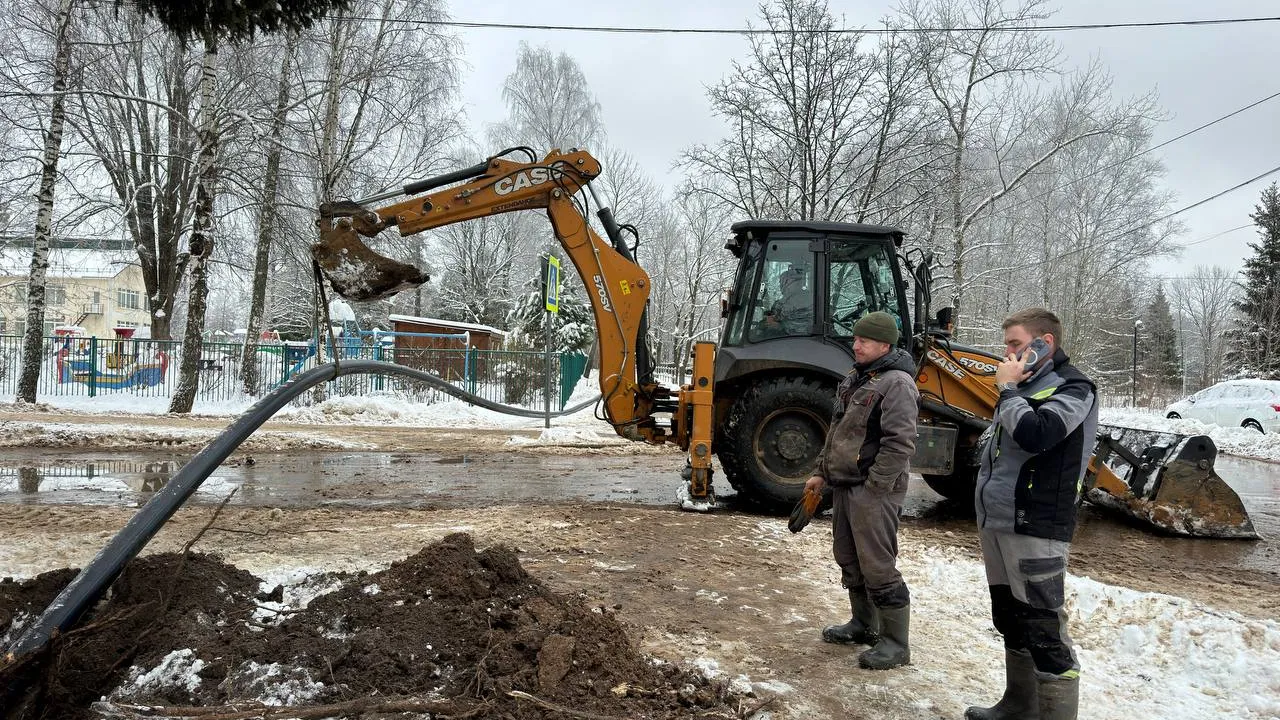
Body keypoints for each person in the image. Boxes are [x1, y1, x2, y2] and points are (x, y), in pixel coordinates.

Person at [965, 308, 1098, 720]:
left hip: (1037, 523)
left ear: (1045, 343)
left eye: (1015, 344)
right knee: (1011, 618)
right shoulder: (1027, 385)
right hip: (1000, 520)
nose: (1006, 354)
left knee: (1044, 629)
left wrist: (1007, 392)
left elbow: (1038, 434)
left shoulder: (1074, 388)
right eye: (1006, 345)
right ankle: (1019, 707)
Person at [804, 310, 918, 670]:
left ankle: (896, 644)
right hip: (845, 484)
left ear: (885, 344)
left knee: (878, 565)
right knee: (850, 558)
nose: (856, 345)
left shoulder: (897, 383)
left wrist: (875, 487)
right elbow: (838, 431)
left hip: (873, 489)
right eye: (855, 339)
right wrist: (821, 472)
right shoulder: (858, 377)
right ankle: (863, 625)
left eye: (864, 340)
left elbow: (900, 443)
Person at [762, 265, 812, 335]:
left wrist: (779, 326)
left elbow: (804, 325)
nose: (781, 285)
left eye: (785, 281)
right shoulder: (781, 302)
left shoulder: (807, 301)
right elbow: (776, 317)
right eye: (781, 282)